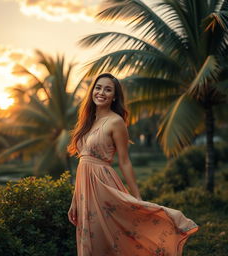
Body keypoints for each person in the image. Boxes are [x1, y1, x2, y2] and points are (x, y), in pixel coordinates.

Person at [67, 73, 199, 256]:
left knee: (103, 240)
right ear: (92, 91)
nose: (101, 92)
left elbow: (124, 161)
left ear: (114, 96)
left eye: (107, 89)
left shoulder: (116, 121)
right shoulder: (88, 121)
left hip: (103, 185)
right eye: (98, 88)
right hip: (85, 192)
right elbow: (83, 162)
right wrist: (75, 200)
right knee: (87, 239)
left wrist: (137, 198)